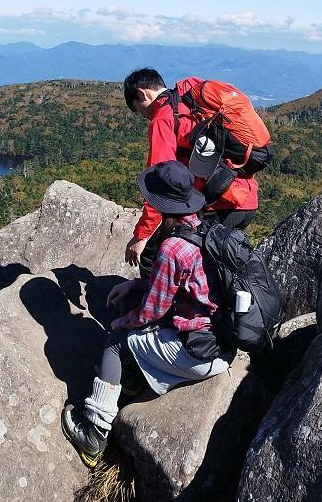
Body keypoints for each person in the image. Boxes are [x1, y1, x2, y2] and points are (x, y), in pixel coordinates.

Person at [61, 160, 231, 468]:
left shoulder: (173, 248)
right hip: (221, 340)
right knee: (132, 308)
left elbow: (151, 312)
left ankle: (94, 434)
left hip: (199, 352)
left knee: (115, 341)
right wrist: (139, 283)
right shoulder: (205, 228)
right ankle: (133, 381)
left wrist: (119, 325)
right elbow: (186, 284)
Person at [121, 68, 258, 278]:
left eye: (139, 110)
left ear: (142, 93)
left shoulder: (164, 117)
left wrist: (141, 236)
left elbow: (160, 184)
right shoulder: (194, 104)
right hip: (245, 200)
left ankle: (154, 309)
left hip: (218, 204)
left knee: (153, 256)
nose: (143, 115)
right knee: (214, 268)